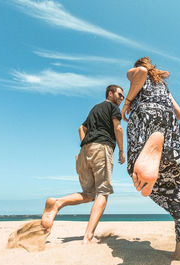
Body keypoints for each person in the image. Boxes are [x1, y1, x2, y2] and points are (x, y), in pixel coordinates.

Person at [121, 57, 180, 262]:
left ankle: (155, 140)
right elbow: (179, 114)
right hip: (170, 125)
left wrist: (127, 104)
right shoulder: (162, 85)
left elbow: (141, 73)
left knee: (139, 170)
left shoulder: (136, 71)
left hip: (145, 116)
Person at [41, 84, 125, 244]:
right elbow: (118, 129)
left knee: (89, 195)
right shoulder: (113, 108)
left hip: (84, 152)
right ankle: (88, 236)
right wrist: (121, 150)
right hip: (101, 148)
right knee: (103, 193)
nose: (121, 98)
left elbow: (81, 128)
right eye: (120, 95)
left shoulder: (95, 108)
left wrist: (86, 145)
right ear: (110, 93)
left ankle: (57, 203)